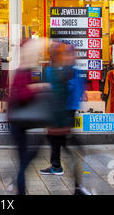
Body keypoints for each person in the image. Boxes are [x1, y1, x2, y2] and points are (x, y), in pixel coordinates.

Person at [39, 42, 92, 195]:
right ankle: (57, 167)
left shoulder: (67, 71)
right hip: (61, 113)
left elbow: (68, 91)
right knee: (57, 142)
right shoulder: (65, 70)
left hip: (66, 112)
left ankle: (75, 183)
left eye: (70, 54)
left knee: (67, 147)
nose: (69, 56)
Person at [8, 38, 50, 195]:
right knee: (25, 158)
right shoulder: (23, 71)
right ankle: (18, 183)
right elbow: (21, 95)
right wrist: (38, 87)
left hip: (20, 121)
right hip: (17, 121)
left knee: (26, 156)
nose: (37, 55)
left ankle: (18, 181)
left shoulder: (25, 69)